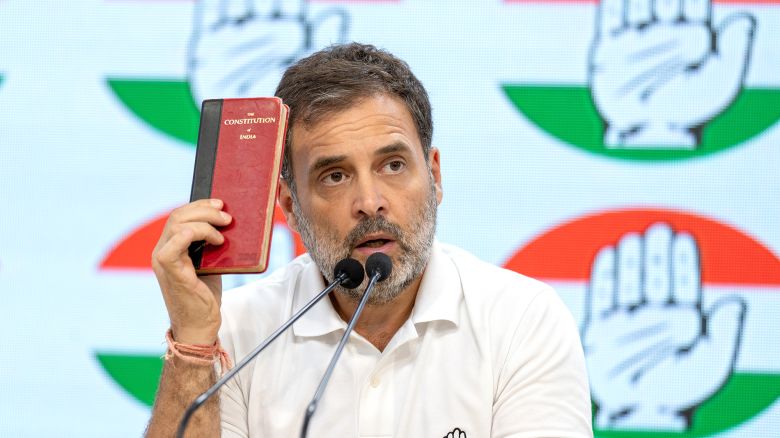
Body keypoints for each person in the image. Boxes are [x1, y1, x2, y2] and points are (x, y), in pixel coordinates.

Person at [146, 43, 592, 437]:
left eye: (393, 165)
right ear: (289, 208)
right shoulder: (241, 331)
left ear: (434, 177)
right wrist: (193, 342)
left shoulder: (521, 321)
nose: (369, 202)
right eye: (335, 176)